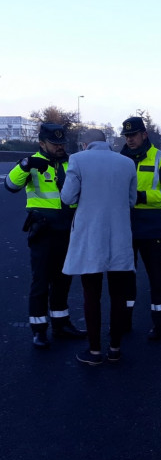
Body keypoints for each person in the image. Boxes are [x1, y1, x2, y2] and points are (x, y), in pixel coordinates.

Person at [4, 123, 87, 348]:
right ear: (42, 143)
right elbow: (10, 185)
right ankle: (39, 330)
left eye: (62, 143)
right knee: (41, 281)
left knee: (63, 281)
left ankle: (61, 325)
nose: (60, 147)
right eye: (54, 143)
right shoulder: (30, 163)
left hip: (69, 230)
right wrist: (25, 165)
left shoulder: (72, 163)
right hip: (43, 230)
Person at [61, 129, 137, 365]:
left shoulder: (77, 160)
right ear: (106, 143)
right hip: (120, 236)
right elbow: (131, 200)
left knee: (91, 294)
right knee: (118, 294)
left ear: (85, 145)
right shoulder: (127, 163)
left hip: (90, 237)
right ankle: (115, 348)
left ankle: (94, 351)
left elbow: (67, 198)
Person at [120, 116, 161, 339]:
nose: (129, 139)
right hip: (124, 229)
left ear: (144, 134)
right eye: (126, 136)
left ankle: (159, 326)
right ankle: (124, 321)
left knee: (156, 278)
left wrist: (140, 196)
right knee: (125, 278)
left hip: (151, 229)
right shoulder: (120, 159)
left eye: (133, 135)